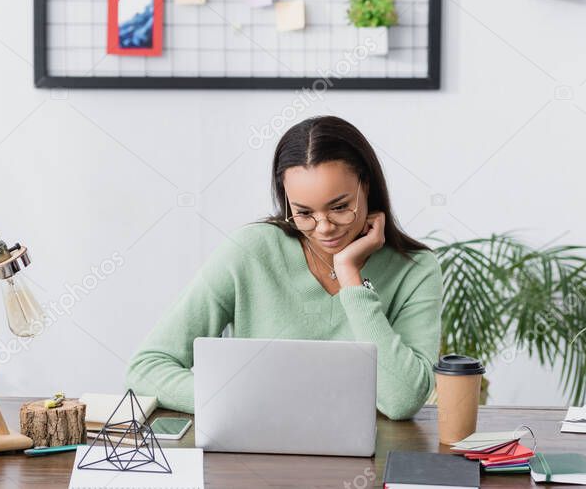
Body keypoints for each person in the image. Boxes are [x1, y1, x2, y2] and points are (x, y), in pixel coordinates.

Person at [125, 115, 442, 420]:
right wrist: (241, 399)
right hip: (252, 450)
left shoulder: (415, 270)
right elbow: (148, 367)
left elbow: (402, 399)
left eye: (341, 207)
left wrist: (350, 278)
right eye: (304, 213)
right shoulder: (251, 251)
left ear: (367, 186)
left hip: (363, 461)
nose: (324, 228)